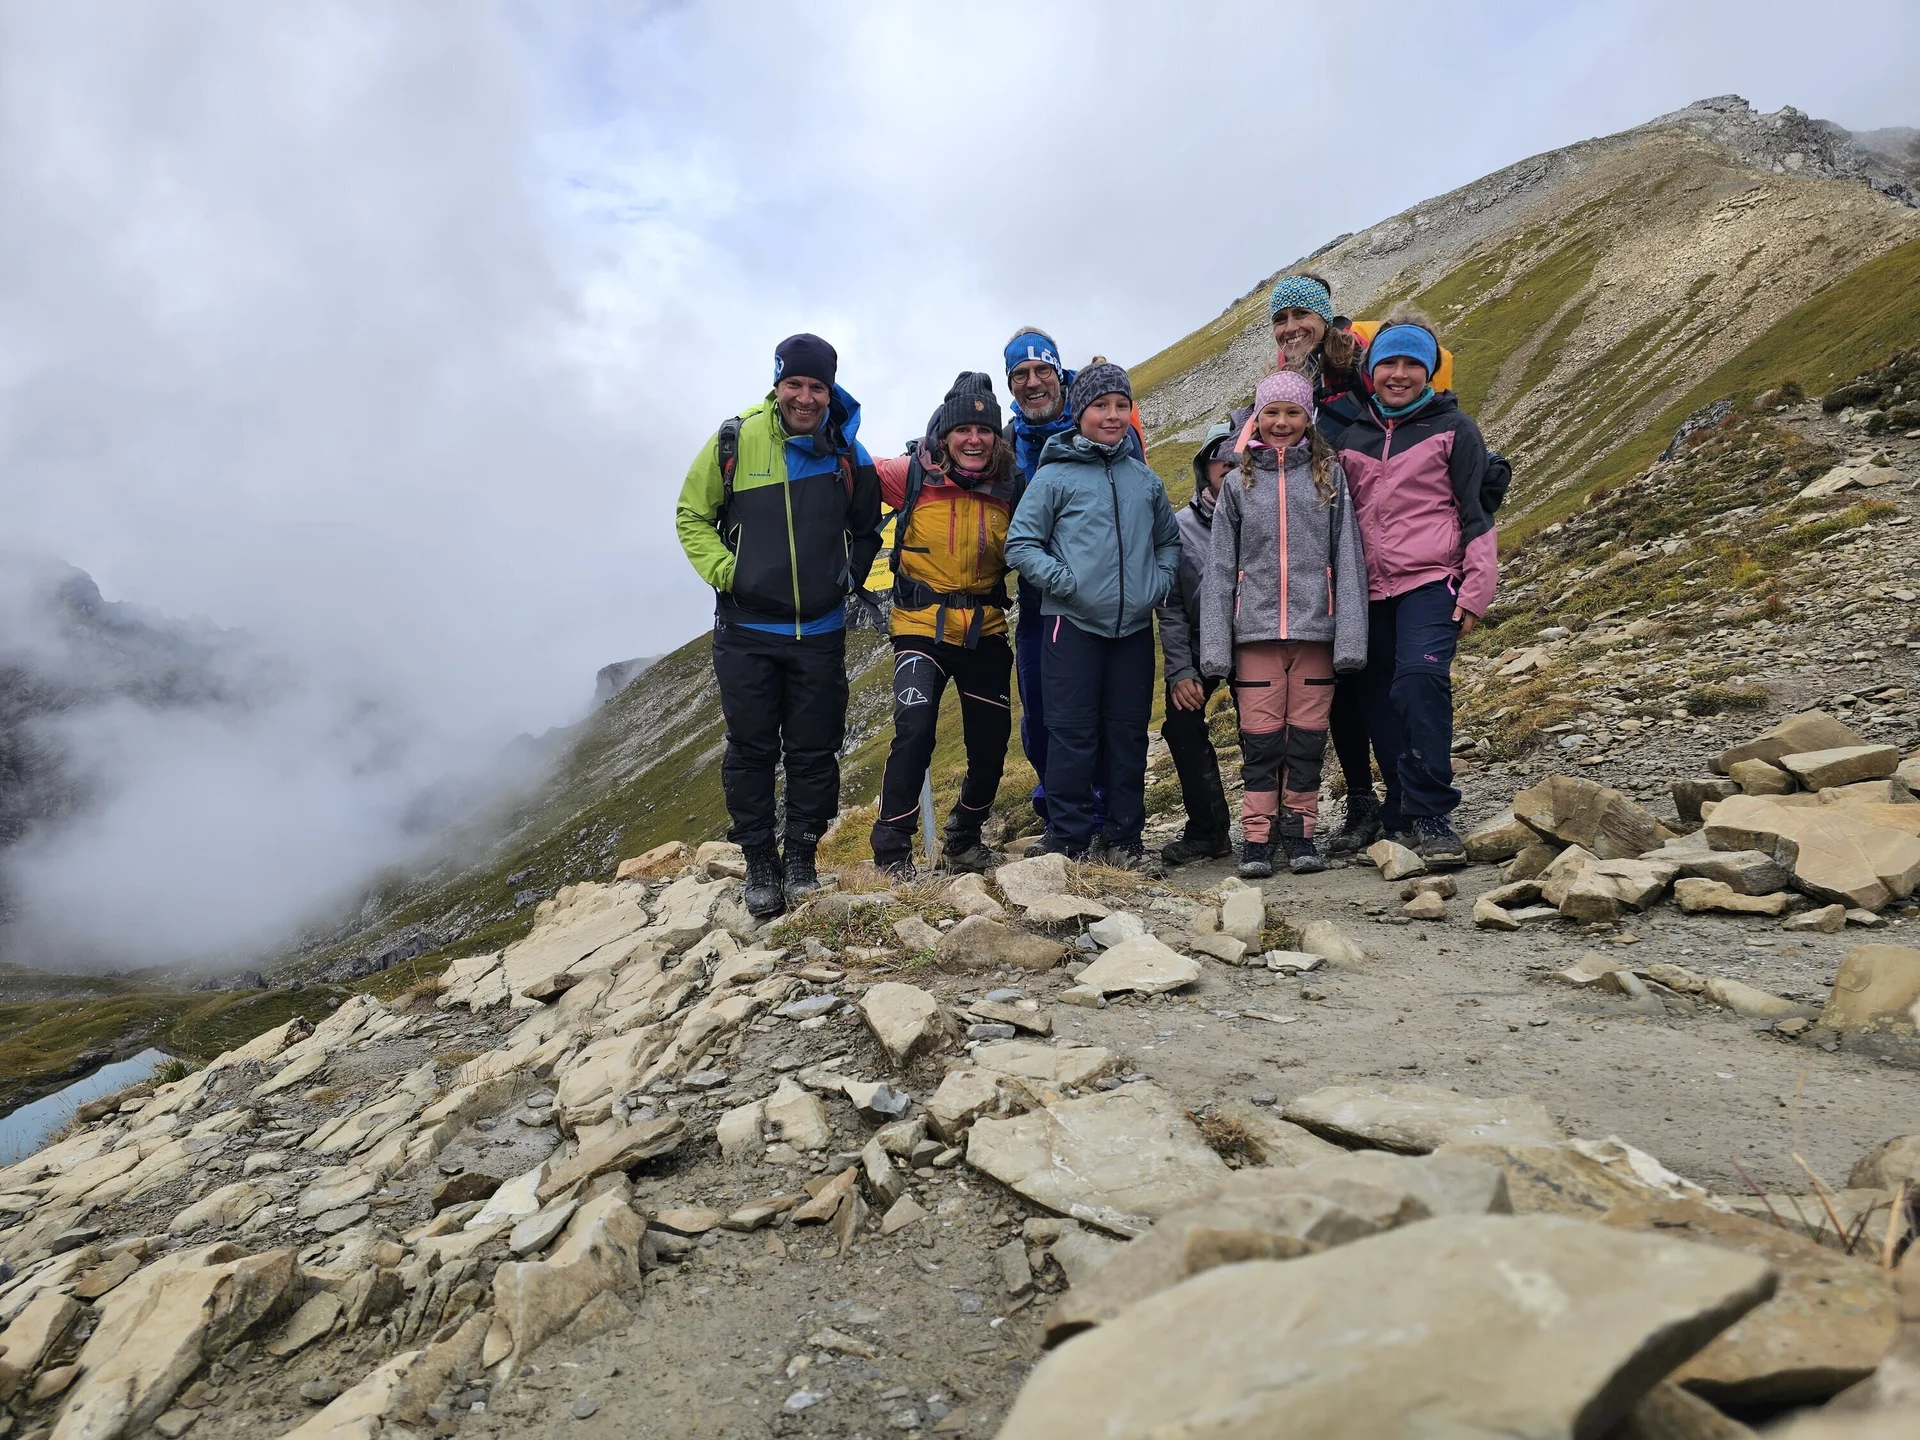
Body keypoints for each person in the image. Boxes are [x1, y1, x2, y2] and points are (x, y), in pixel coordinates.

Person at [675, 333, 883, 917]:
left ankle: (802, 861)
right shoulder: (734, 440)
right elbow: (692, 514)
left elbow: (867, 527)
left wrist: (847, 576)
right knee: (751, 750)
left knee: (815, 751)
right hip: (746, 632)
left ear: (830, 391)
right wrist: (728, 573)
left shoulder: (848, 451)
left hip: (820, 631)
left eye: (817, 386)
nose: (806, 397)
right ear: (777, 384)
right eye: (795, 383)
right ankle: (760, 863)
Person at [1262, 274, 1459, 858]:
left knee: (1386, 684)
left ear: (1324, 316)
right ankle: (1362, 799)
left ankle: (1404, 800)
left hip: (1377, 550)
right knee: (1344, 690)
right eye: (1281, 319)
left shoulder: (1359, 366)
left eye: (1302, 315)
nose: (1291, 327)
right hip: (1324, 552)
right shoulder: (1293, 378)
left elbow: (1413, 419)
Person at [1005, 361, 1181, 867]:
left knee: (1128, 734)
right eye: (1101, 405)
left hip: (1133, 628)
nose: (1112, 415)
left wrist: (1156, 585)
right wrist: (1067, 584)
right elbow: (1021, 544)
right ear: (1080, 412)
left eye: (1121, 405)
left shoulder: (1144, 479)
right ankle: (1069, 839)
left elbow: (1168, 542)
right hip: (1071, 625)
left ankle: (1125, 839)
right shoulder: (1053, 476)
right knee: (1071, 733)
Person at [1334, 316, 1496, 865]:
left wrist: (1476, 589)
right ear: (1372, 370)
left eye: (1412, 364)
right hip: (1366, 591)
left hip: (1431, 580)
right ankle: (1401, 809)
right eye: (1389, 363)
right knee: (1378, 701)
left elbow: (1476, 510)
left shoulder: (1455, 428)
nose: (1399, 374)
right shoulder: (1351, 437)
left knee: (1419, 682)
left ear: (1429, 371)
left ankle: (1432, 815)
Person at [1200, 371, 1367, 877]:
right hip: (1254, 636)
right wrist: (1215, 647)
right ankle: (1256, 838)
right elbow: (1220, 568)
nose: (1281, 422)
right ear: (1256, 419)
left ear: (1308, 419)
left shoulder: (1329, 477)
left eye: (1292, 412)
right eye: (1270, 412)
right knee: (1261, 740)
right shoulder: (1237, 483)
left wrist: (1351, 637)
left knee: (1308, 740)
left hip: (1317, 633)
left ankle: (1301, 833)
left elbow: (1348, 555)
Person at [867, 373, 1020, 875]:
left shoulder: (1012, 484)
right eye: (963, 430)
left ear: (996, 437)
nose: (974, 439)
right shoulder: (910, 474)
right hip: (919, 627)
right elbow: (849, 469)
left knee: (991, 742)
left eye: (984, 430)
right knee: (914, 731)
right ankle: (892, 852)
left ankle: (963, 837)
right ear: (945, 434)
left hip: (985, 629)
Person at [1002, 329, 1146, 829]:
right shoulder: (1007, 442)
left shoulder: (1107, 425)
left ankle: (1108, 816)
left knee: (1111, 712)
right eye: (1020, 374)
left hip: (1109, 605)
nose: (1033, 382)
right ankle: (1063, 816)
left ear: (1059, 373)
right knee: (1045, 713)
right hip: (1040, 601)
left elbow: (1139, 507)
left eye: (1042, 370)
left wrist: (1151, 582)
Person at [1155, 421, 1236, 866]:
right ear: (1204, 467)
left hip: (1258, 640)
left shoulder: (1270, 515)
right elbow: (1170, 606)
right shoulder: (1179, 527)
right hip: (1203, 644)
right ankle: (1208, 830)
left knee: (1265, 728)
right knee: (1182, 722)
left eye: (1239, 455)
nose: (1230, 462)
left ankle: (1276, 827)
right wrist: (1181, 670)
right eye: (1219, 456)